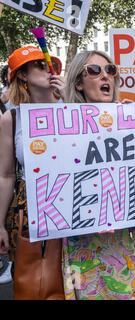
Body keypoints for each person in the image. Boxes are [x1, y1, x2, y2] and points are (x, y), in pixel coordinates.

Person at [62, 50, 135, 300]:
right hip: (86, 243)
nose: (105, 76)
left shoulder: (131, 118)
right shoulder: (62, 125)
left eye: (110, 70)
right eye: (94, 71)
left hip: (128, 236)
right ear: (79, 83)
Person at [0, 46, 64, 290]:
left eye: (51, 65)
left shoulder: (73, 108)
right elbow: (5, 175)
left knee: (72, 278)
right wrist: (0, 225)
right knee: (35, 282)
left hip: (72, 204)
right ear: (22, 75)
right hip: (29, 211)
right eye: (39, 65)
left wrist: (69, 100)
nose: (48, 69)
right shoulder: (11, 118)